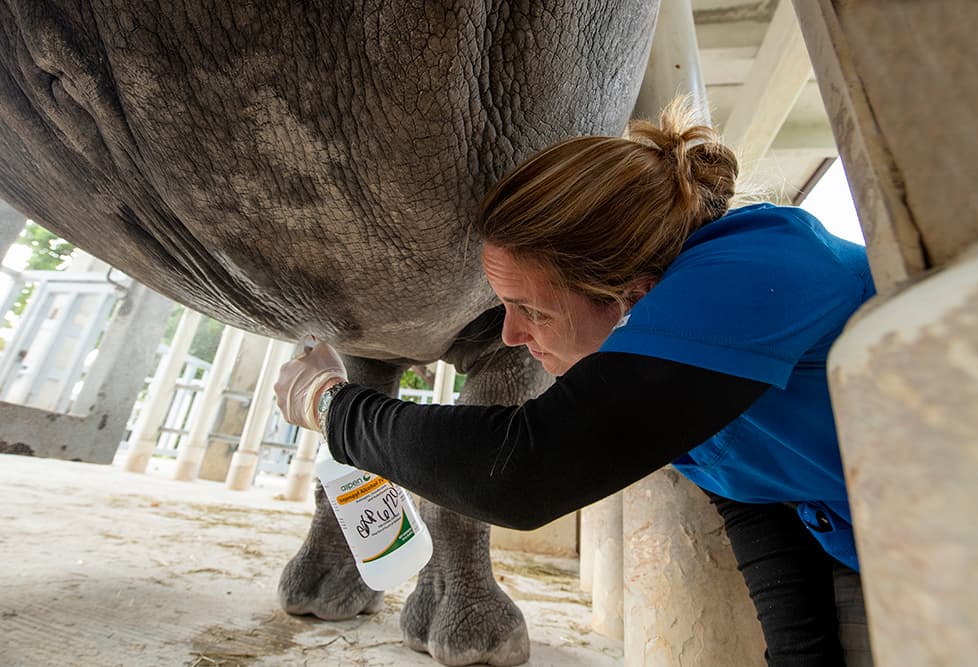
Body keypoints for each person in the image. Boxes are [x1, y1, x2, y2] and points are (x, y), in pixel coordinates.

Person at [274, 98, 875, 666]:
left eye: (531, 309)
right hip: (865, 544)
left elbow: (523, 471)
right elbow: (754, 499)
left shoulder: (755, 272)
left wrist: (327, 403)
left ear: (630, 296)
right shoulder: (682, 360)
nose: (510, 334)